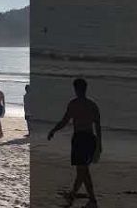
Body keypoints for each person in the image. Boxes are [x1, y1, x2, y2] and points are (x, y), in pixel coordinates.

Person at [47, 78, 101, 208]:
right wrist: (99, 143)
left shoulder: (74, 104)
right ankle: (90, 199)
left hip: (80, 138)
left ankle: (75, 194)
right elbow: (98, 126)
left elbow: (65, 121)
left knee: (81, 170)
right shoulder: (92, 105)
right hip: (90, 138)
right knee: (84, 170)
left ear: (76, 89)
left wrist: (53, 130)